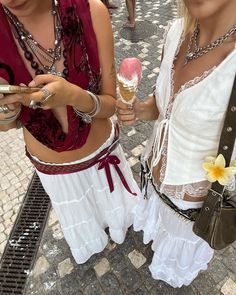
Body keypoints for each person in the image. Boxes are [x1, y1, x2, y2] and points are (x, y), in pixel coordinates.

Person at [0, 0, 140, 264]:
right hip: (57, 176)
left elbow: (110, 103)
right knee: (86, 228)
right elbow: (7, 124)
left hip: (102, 159)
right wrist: (6, 109)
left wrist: (73, 96)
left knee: (121, 220)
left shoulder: (91, 11)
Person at [117, 0, 236, 288]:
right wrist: (141, 109)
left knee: (174, 264)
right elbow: (165, 108)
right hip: (152, 177)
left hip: (192, 205)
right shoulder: (176, 31)